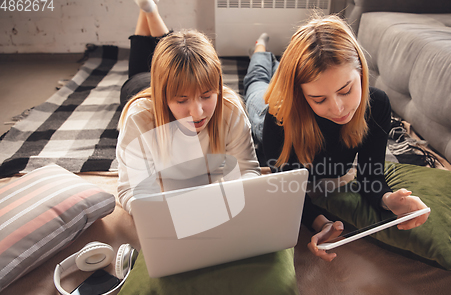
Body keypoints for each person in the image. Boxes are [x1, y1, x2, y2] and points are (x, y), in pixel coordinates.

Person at [243, 14, 429, 262]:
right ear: (301, 95)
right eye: (319, 99)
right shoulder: (279, 119)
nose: (339, 108)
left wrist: (388, 200)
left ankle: (279, 66)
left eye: (346, 90)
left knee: (273, 77)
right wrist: (320, 223)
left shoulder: (377, 105)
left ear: (361, 71)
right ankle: (260, 48)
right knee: (256, 83)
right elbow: (288, 191)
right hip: (267, 112)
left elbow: (370, 175)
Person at [117, 0, 260, 215]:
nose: (197, 113)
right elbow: (129, 189)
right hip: (140, 85)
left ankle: (150, 10)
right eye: (181, 101)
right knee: (141, 58)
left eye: (206, 96)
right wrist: (155, 213)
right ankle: (146, 11)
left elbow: (248, 171)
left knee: (177, 53)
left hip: (171, 79)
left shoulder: (230, 110)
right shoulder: (140, 116)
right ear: (163, 97)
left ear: (218, 87)